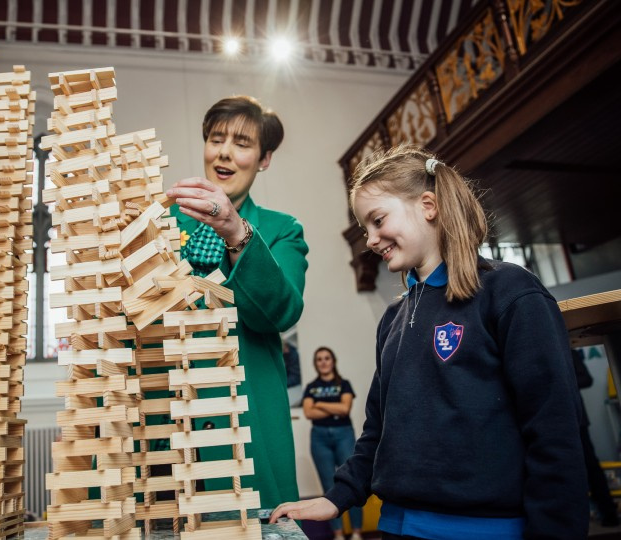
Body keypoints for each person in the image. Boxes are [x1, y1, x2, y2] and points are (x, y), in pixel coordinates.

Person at [270, 146, 588, 539]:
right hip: (399, 525)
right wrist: (338, 496)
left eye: (378, 219)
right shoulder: (393, 318)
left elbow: (554, 430)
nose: (370, 239)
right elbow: (378, 429)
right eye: (364, 228)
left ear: (428, 205)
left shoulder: (509, 291)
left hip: (486, 529)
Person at [165, 95, 309, 508]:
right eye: (216, 138)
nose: (225, 151)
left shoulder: (281, 231)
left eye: (242, 143)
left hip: (247, 423)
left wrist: (236, 232)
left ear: (264, 160)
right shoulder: (161, 223)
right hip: (170, 420)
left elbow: (280, 312)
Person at [303, 347, 363, 540]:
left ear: (333, 361)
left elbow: (345, 408)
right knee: (329, 487)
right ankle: (337, 534)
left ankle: (356, 533)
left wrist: (319, 404)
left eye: (327, 358)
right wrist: (333, 408)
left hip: (343, 435)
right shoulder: (311, 387)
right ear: (316, 363)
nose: (323, 362)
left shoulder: (344, 384)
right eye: (319, 359)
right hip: (319, 438)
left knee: (351, 482)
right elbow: (308, 413)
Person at [571, 348, 619, 527]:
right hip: (554, 418)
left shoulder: (565, 349)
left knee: (590, 466)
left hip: (576, 418)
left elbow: (586, 379)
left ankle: (609, 513)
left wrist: (559, 378)